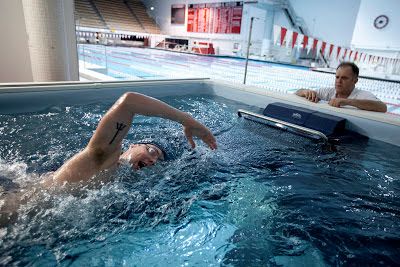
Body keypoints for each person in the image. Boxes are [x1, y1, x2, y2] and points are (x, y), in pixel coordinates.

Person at [42, 92, 217, 187]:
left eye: (158, 159)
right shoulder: (101, 158)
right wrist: (187, 120)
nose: (153, 160)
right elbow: (129, 102)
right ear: (132, 145)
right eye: (151, 151)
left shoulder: (119, 184)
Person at [295, 62, 387, 112]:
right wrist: (305, 92)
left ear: (355, 80)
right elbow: (297, 92)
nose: (338, 81)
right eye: (337, 77)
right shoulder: (328, 92)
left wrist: (347, 102)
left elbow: (382, 107)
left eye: (344, 78)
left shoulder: (362, 95)